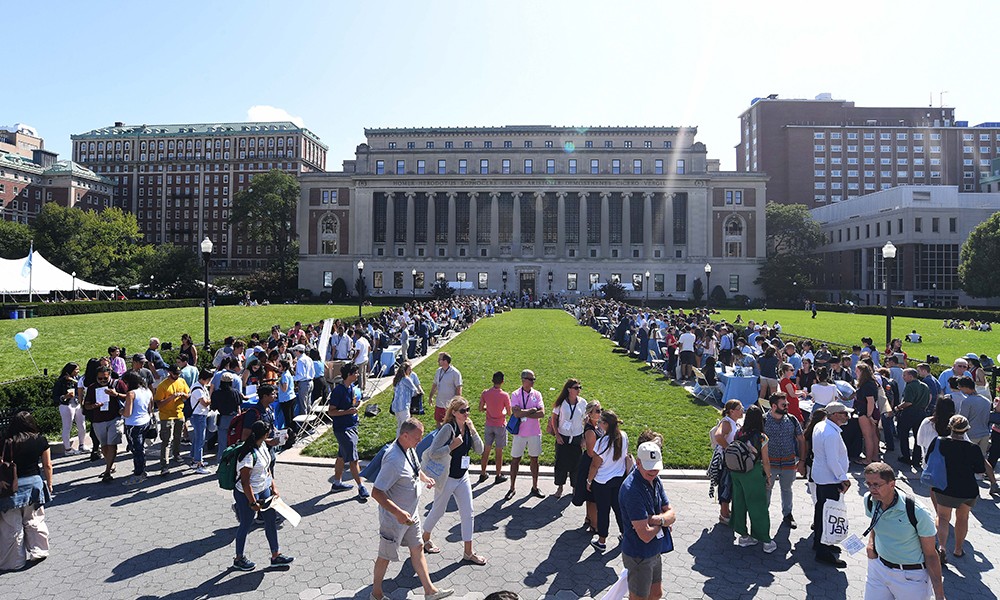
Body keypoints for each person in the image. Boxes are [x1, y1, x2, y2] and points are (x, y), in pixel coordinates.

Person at [371, 418, 454, 600]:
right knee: (385, 556)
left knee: (417, 548)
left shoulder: (409, 448)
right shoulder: (393, 459)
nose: (420, 440)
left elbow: (414, 468)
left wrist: (424, 478)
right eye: (417, 437)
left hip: (411, 514)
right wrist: (398, 513)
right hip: (394, 518)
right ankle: (376, 594)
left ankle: (430, 591)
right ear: (405, 435)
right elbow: (376, 492)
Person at [862, 462, 944, 600]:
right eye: (868, 484)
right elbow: (876, 522)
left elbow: (931, 555)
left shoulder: (917, 511)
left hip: (910, 577)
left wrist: (940, 595)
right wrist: (871, 543)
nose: (872, 489)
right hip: (878, 569)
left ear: (892, 484)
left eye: (876, 484)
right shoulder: (870, 500)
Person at [421, 397, 486, 565]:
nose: (467, 413)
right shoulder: (448, 429)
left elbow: (480, 450)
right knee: (438, 510)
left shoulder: (468, 427)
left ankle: (468, 552)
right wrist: (452, 446)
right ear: (454, 413)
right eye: (463, 411)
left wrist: (473, 430)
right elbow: (434, 452)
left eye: (468, 410)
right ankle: (424, 539)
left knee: (468, 513)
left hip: (462, 476)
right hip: (447, 477)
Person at [231, 421, 294, 571]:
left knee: (270, 521)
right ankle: (238, 559)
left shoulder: (263, 444)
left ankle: (275, 555)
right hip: (246, 494)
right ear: (265, 434)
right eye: (270, 431)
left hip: (263, 489)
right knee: (246, 524)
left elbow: (267, 470)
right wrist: (253, 503)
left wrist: (274, 487)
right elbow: (246, 483)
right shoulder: (248, 455)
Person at [618, 439, 676, 600]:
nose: (654, 472)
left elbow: (671, 513)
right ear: (638, 462)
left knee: (657, 593)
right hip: (639, 555)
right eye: (650, 468)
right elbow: (645, 535)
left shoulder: (655, 480)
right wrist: (664, 523)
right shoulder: (631, 490)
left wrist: (655, 520)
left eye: (656, 468)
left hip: (654, 551)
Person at [928, 415, 985, 563]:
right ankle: (958, 549)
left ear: (950, 427)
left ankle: (941, 547)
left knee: (943, 518)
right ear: (967, 429)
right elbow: (980, 470)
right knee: (963, 518)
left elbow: (929, 459)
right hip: (967, 489)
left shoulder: (939, 442)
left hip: (944, 486)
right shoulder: (973, 448)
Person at [0, 411, 52, 571]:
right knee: (34, 519)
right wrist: (49, 484)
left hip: (9, 488)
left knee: (11, 525)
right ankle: (39, 551)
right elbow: (47, 465)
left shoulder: (5, 442)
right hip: (34, 484)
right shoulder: (40, 440)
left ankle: (14, 562)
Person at [812, 401, 853, 568]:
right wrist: (843, 478)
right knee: (829, 515)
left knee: (822, 511)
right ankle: (823, 550)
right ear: (835, 415)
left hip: (823, 477)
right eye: (844, 414)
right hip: (830, 479)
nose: (847, 416)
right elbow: (832, 460)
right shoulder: (831, 433)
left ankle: (820, 542)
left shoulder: (821, 426)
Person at [730, 405, 776, 553]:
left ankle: (744, 536)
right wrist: (768, 477)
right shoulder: (762, 437)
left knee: (739, 502)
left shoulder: (739, 432)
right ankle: (765, 541)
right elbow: (766, 460)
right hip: (753, 473)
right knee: (758, 506)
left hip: (736, 472)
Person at [588, 410, 630, 552]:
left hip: (602, 482)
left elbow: (595, 465)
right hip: (619, 480)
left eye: (600, 422)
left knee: (603, 511)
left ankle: (602, 541)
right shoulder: (623, 436)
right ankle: (625, 534)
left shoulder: (601, 443)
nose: (598, 424)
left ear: (606, 424)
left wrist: (589, 481)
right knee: (619, 508)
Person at [327, 363, 369, 501]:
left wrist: (355, 406)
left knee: (341, 456)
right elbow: (331, 411)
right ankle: (361, 487)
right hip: (342, 429)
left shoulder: (351, 388)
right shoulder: (338, 391)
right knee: (353, 458)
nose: (357, 375)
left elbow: (350, 405)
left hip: (351, 425)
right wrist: (347, 412)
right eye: (356, 373)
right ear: (349, 375)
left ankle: (337, 483)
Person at [764, 393, 805, 530]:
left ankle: (787, 514)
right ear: (774, 406)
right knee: (767, 490)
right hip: (770, 464)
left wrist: (802, 460)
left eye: (787, 404)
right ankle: (763, 514)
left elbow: (801, 439)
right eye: (784, 405)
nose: (787, 406)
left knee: (787, 489)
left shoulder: (792, 420)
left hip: (788, 463)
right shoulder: (763, 421)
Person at [506, 369, 546, 500]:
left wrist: (524, 412)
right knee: (515, 459)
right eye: (531, 379)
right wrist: (532, 410)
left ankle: (535, 487)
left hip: (534, 432)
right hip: (520, 433)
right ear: (523, 380)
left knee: (534, 459)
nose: (533, 381)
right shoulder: (516, 394)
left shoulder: (537, 394)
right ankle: (512, 487)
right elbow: (516, 414)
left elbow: (542, 413)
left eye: (534, 379)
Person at [82, 365, 127, 482]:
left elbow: (129, 396)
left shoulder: (118, 384)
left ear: (110, 376)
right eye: (100, 379)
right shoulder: (92, 388)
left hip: (114, 418)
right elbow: (86, 405)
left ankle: (107, 471)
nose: (102, 381)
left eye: (105, 379)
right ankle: (110, 464)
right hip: (98, 420)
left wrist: (116, 394)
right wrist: (93, 406)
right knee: (104, 445)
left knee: (112, 444)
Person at [549, 378, 587, 498]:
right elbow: (554, 419)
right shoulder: (561, 403)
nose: (578, 390)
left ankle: (575, 488)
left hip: (576, 437)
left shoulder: (582, 402)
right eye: (576, 388)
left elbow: (587, 420)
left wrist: (584, 438)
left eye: (579, 387)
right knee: (561, 463)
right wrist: (557, 435)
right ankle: (560, 487)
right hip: (563, 437)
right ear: (569, 389)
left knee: (577, 464)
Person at [154, 364, 191, 476]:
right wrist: (171, 398)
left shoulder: (182, 381)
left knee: (178, 437)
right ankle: (164, 465)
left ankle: (176, 454)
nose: (177, 376)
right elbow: (159, 404)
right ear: (170, 373)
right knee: (166, 440)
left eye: (178, 374)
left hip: (179, 414)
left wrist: (183, 395)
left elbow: (188, 395)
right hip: (166, 416)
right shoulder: (163, 385)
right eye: (175, 374)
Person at [574, 400, 603, 534]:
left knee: (590, 494)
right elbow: (591, 453)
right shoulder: (590, 431)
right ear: (590, 413)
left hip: (593, 463)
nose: (600, 413)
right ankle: (594, 525)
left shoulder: (596, 426)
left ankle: (588, 518)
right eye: (597, 411)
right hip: (591, 464)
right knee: (592, 498)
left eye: (601, 410)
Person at [713, 400, 744, 525]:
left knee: (730, 486)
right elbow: (718, 436)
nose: (742, 410)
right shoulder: (726, 422)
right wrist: (729, 449)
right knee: (726, 485)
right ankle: (724, 514)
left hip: (732, 460)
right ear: (732, 411)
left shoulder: (734, 423)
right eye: (739, 408)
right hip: (727, 461)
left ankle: (727, 511)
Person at [121, 371, 154, 486]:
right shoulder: (147, 391)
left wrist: (121, 411)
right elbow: (151, 408)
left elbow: (127, 413)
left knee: (136, 450)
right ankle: (142, 470)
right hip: (145, 421)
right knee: (141, 448)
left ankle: (139, 474)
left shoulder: (131, 394)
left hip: (133, 424)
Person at [478, 371, 511, 484]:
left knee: (486, 449)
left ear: (492, 380)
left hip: (489, 424)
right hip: (500, 425)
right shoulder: (505, 395)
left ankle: (483, 473)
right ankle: (498, 474)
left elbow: (481, 408)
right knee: (499, 450)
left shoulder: (485, 393)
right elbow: (509, 412)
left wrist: (489, 408)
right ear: (502, 381)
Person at [897, 368, 930, 467]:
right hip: (921, 412)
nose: (903, 377)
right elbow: (929, 399)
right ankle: (916, 458)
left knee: (904, 435)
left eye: (904, 375)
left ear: (911, 376)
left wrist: (898, 407)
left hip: (909, 413)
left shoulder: (910, 386)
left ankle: (906, 457)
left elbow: (908, 402)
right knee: (918, 436)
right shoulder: (925, 386)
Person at [53, 362, 87, 456]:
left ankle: (82, 444)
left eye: (78, 369)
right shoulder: (61, 381)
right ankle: (67, 449)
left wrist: (72, 380)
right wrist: (65, 396)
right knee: (67, 427)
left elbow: (83, 386)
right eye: (75, 370)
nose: (77, 371)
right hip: (66, 405)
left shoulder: (78, 378)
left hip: (78, 403)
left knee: (82, 425)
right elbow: (55, 397)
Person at [188, 369, 214, 474]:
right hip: (198, 416)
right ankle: (198, 463)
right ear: (204, 378)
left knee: (197, 438)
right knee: (200, 440)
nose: (209, 382)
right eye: (208, 379)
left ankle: (194, 458)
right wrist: (212, 399)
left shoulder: (200, 387)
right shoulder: (198, 389)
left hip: (200, 415)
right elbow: (205, 403)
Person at [855, 363, 881, 465]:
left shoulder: (866, 384)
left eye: (857, 371)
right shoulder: (871, 383)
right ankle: (874, 457)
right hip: (871, 412)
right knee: (873, 435)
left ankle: (868, 459)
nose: (855, 373)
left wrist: (869, 416)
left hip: (866, 412)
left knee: (868, 436)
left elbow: (870, 401)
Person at [428, 352, 463, 427]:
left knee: (450, 423)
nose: (438, 361)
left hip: (450, 404)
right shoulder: (438, 371)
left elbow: (458, 388)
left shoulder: (455, 373)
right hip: (439, 402)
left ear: (445, 361)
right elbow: (435, 385)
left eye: (439, 359)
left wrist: (457, 403)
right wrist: (430, 396)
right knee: (438, 421)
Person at [391, 361, 418, 434]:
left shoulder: (397, 379)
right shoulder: (406, 379)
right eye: (409, 370)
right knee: (406, 427)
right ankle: (404, 443)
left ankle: (397, 440)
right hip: (403, 406)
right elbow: (415, 390)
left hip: (396, 406)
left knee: (400, 426)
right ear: (405, 370)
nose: (411, 371)